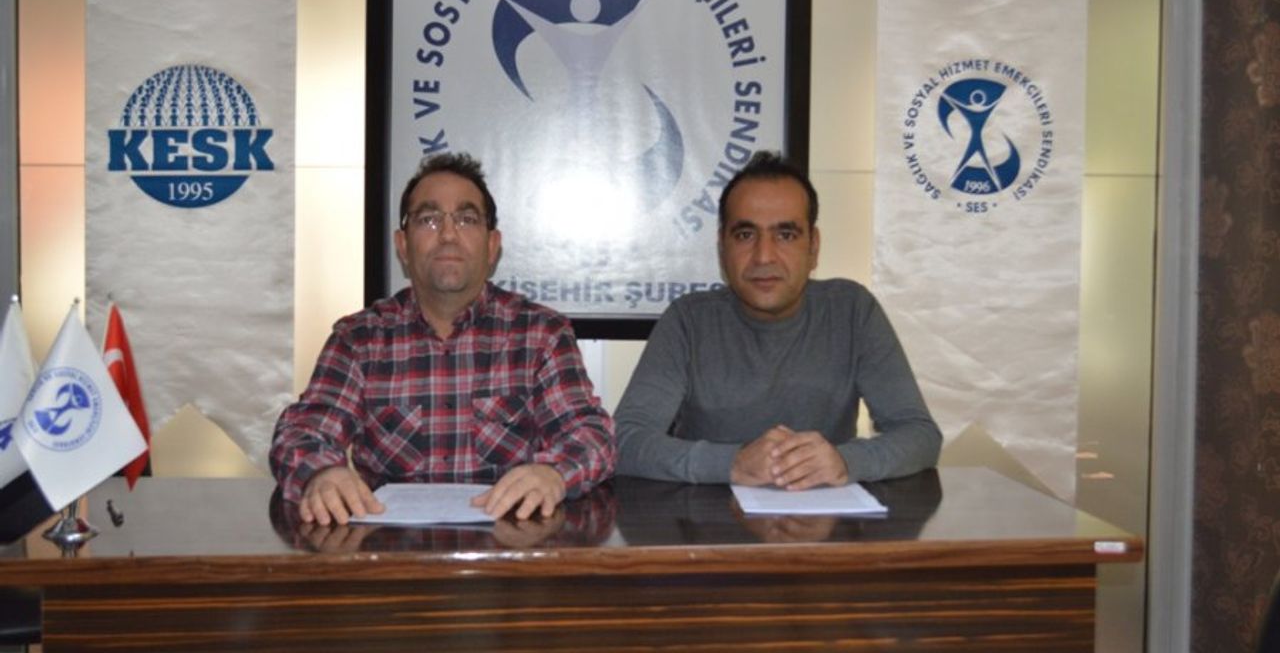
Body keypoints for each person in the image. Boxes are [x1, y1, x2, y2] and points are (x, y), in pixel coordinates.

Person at [271, 153, 615, 525]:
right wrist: (322, 473)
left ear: (492, 245)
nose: (448, 235)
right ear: (403, 245)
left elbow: (591, 435)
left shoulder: (541, 334)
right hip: (390, 549)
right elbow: (301, 432)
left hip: (511, 545)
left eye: (466, 219)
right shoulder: (359, 339)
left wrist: (554, 473)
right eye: (429, 219)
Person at [615, 151, 941, 489]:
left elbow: (920, 435)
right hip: (708, 518)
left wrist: (846, 462)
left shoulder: (852, 311)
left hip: (825, 515)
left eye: (785, 235)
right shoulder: (688, 321)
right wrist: (732, 464)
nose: (764, 256)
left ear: (813, 247)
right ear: (722, 248)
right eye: (745, 235)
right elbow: (624, 441)